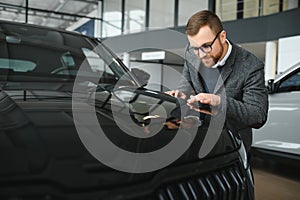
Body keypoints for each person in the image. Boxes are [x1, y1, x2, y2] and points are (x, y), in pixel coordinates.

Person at [166, 10, 268, 152]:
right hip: (195, 141)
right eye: (196, 48)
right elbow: (187, 84)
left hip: (231, 147)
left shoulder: (251, 66)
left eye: (206, 46)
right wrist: (182, 94)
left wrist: (219, 102)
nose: (201, 55)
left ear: (222, 36)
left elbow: (258, 116)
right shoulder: (191, 54)